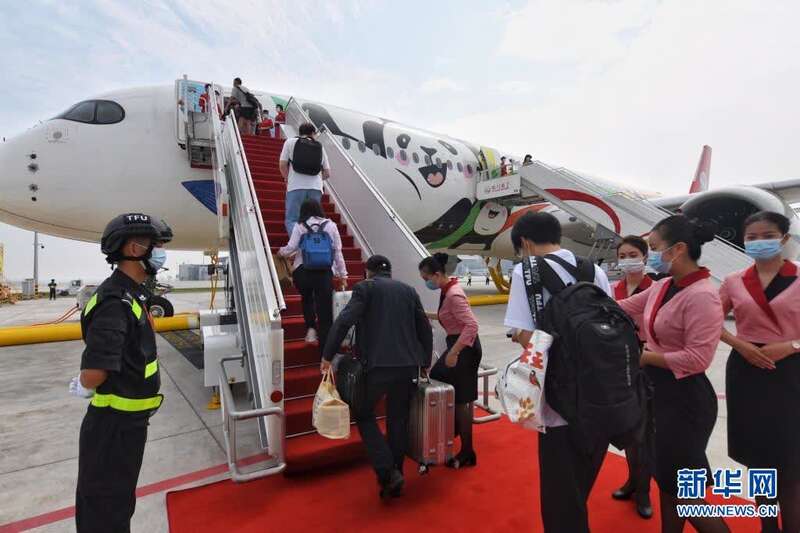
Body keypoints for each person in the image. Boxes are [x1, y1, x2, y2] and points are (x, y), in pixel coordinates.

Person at [503, 211, 612, 533]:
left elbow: (525, 336)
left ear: (523, 242)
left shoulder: (527, 271)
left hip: (558, 396)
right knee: (580, 479)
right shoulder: (595, 271)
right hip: (600, 390)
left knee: (559, 489)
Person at [618, 215, 728, 533]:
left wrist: (644, 357)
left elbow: (697, 359)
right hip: (661, 395)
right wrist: (581, 298)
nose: (649, 254)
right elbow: (624, 307)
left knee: (685, 495)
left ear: (678, 249)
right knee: (667, 481)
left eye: (653, 247)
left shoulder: (703, 296)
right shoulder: (664, 285)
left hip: (686, 401)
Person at [69, 213, 171, 533]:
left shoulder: (134, 293)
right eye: (153, 246)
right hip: (111, 429)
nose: (159, 253)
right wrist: (85, 385)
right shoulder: (115, 301)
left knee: (118, 506)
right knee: (104, 512)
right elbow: (96, 370)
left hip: (128, 428)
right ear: (133, 247)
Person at [321, 255, 432, 500]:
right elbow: (424, 327)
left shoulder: (364, 288)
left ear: (368, 272)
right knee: (397, 419)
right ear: (389, 272)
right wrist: (424, 362)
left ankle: (387, 472)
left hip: (378, 368)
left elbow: (343, 322)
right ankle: (397, 473)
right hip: (407, 366)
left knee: (362, 413)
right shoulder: (408, 290)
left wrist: (327, 355)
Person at [719, 211, 800, 533]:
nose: (758, 242)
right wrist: (741, 345)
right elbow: (710, 321)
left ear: (783, 238)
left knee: (791, 457)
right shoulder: (734, 280)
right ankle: (768, 526)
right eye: (751, 238)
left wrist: (790, 346)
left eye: (766, 236)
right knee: (758, 456)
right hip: (746, 371)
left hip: (791, 370)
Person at [419, 253, 481, 468]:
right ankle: (452, 432)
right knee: (439, 377)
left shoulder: (453, 294)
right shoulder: (446, 291)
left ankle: (467, 452)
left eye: (426, 278)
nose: (426, 282)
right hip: (458, 344)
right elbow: (448, 316)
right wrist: (424, 314)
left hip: (465, 347)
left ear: (437, 275)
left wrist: (454, 353)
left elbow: (472, 326)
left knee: (463, 400)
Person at [610, 235, 656, 519]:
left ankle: (644, 490)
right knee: (628, 428)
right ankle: (631, 480)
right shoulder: (613, 288)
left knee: (645, 432)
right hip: (618, 359)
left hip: (646, 358)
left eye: (633, 254)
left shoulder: (656, 287)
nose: (628, 260)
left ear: (645, 256)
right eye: (623, 255)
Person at [278, 199, 347, 347]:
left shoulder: (300, 226)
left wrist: (280, 252)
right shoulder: (331, 225)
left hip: (303, 272)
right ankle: (325, 350)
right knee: (325, 310)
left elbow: (291, 247)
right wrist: (343, 275)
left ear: (303, 211)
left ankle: (310, 329)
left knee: (307, 298)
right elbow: (337, 252)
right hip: (324, 272)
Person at [279, 122, 331, 235]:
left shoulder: (290, 142)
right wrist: (317, 179)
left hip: (296, 187)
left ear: (300, 132)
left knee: (292, 219)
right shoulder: (319, 147)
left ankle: (297, 246)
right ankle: (312, 246)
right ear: (313, 133)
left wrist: (287, 178)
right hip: (315, 189)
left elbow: (282, 165)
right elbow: (327, 173)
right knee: (314, 221)